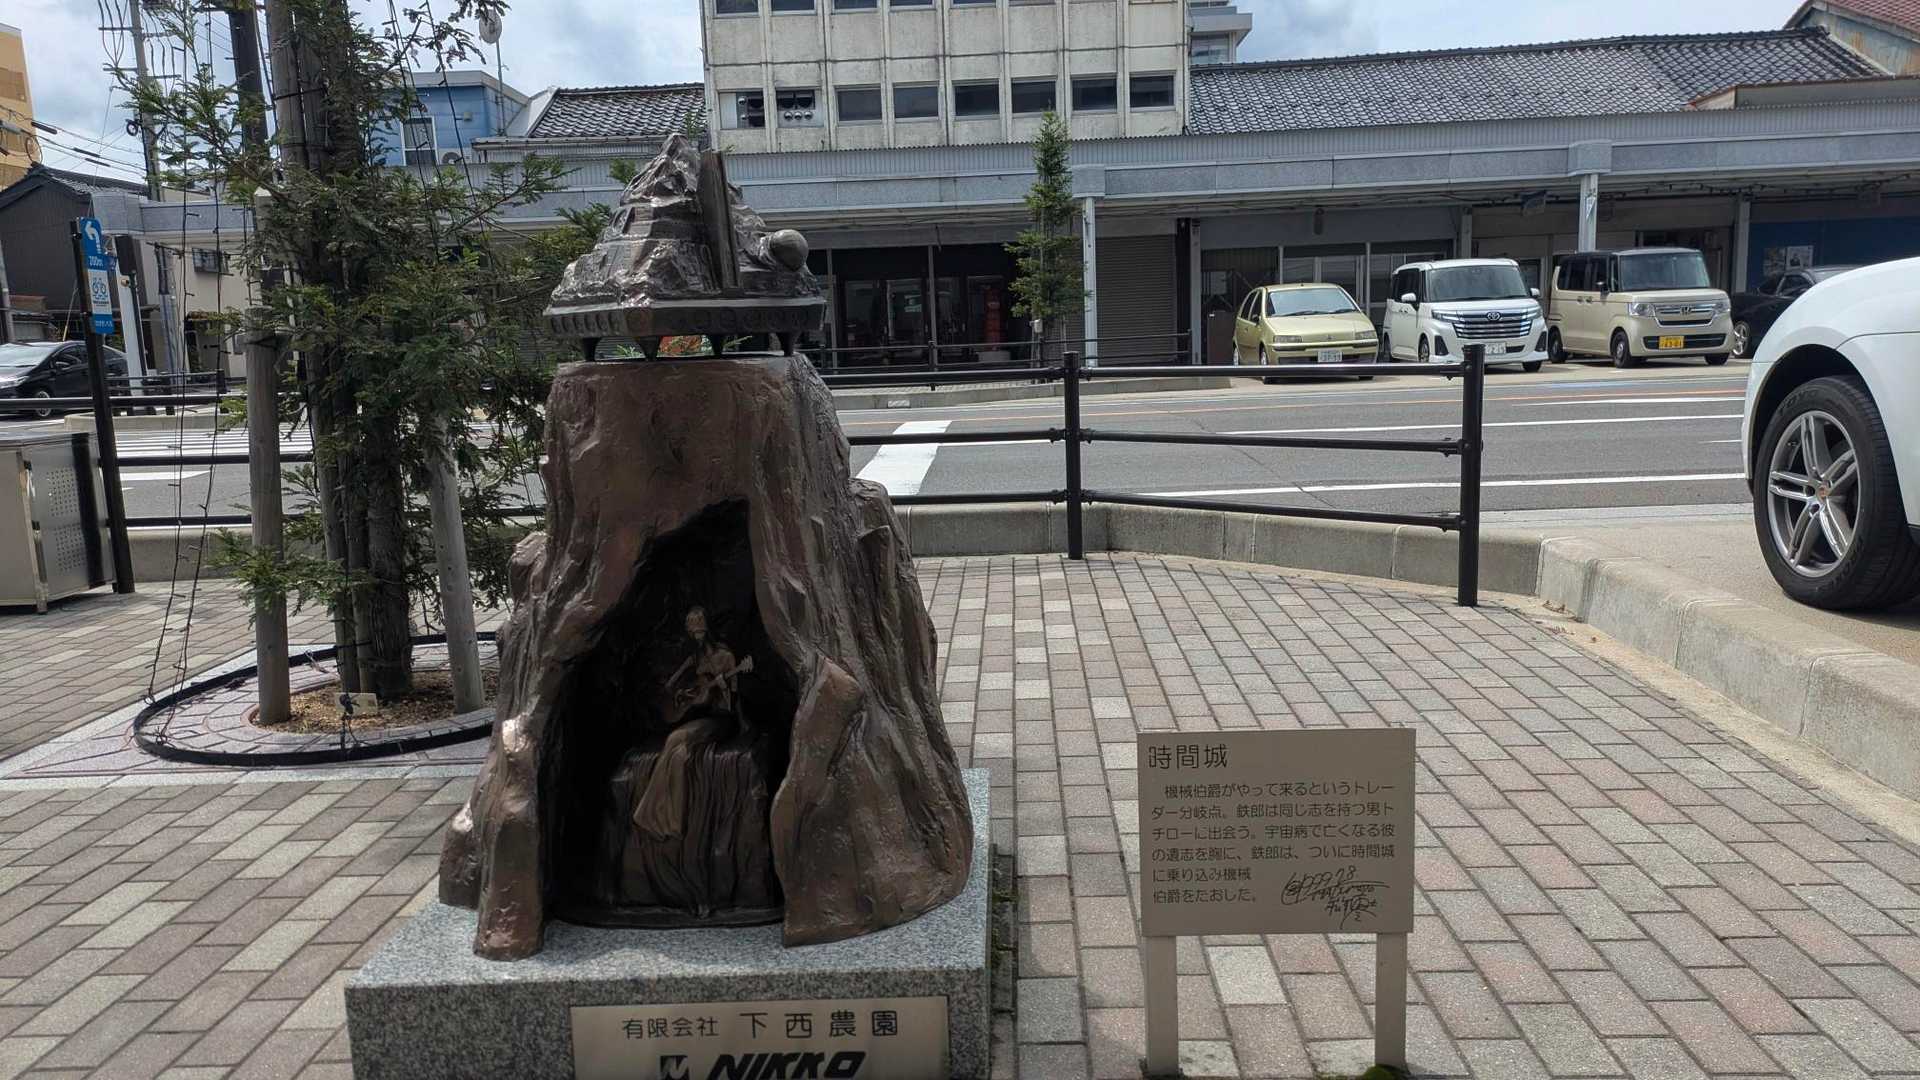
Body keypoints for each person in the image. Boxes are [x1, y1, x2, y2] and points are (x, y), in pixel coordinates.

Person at [632, 606, 754, 841]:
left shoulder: (727, 657)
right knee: (675, 746)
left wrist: (724, 688)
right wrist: (684, 695)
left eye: (700, 632)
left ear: (708, 630)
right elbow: (682, 690)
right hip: (702, 717)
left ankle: (670, 820)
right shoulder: (696, 660)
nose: (697, 637)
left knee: (678, 742)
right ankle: (656, 816)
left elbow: (734, 700)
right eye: (693, 633)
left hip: (722, 720)